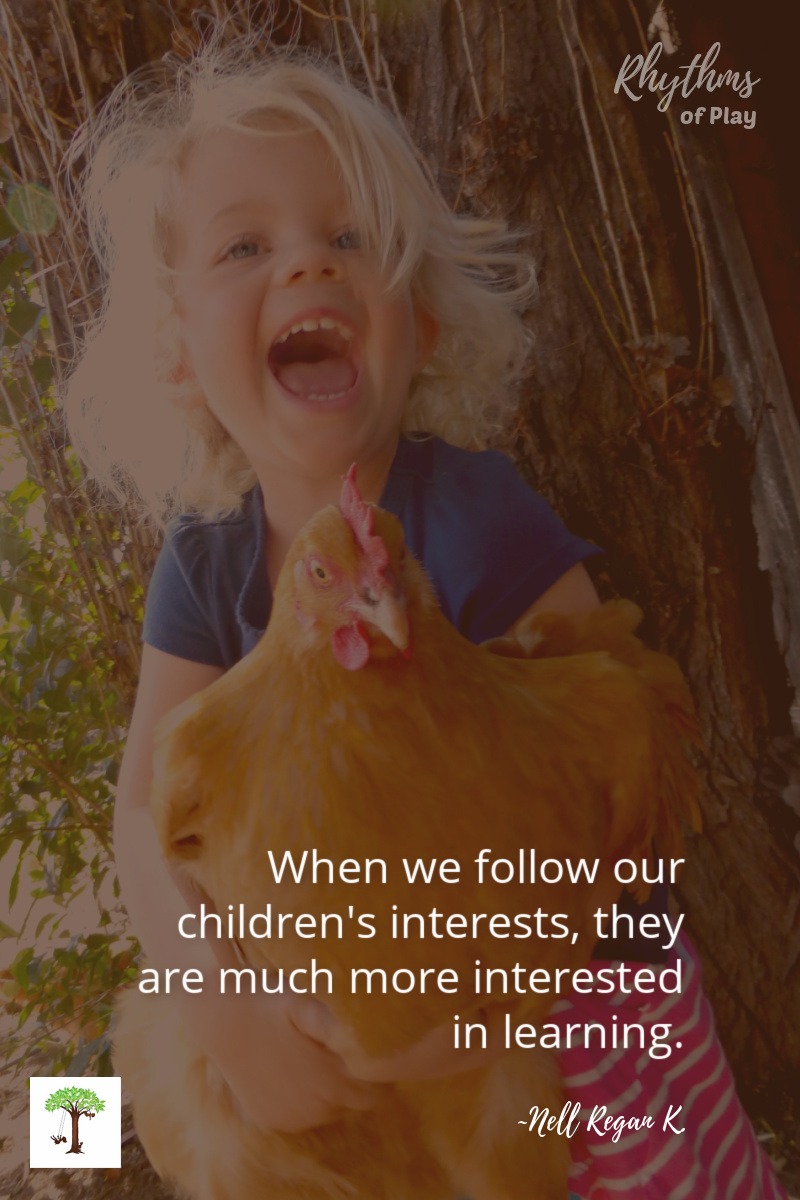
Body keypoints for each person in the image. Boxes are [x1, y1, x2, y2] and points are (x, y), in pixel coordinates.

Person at [63, 30, 787, 1200]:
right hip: (338, 1028)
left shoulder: (480, 518)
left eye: (349, 239)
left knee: (634, 1148)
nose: (308, 267)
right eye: (248, 245)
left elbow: (617, 806)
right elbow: (144, 814)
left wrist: (464, 1028)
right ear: (177, 354)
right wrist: (218, 995)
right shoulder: (200, 568)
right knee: (129, 1067)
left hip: (561, 1005)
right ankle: (71, 1168)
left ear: (424, 328)